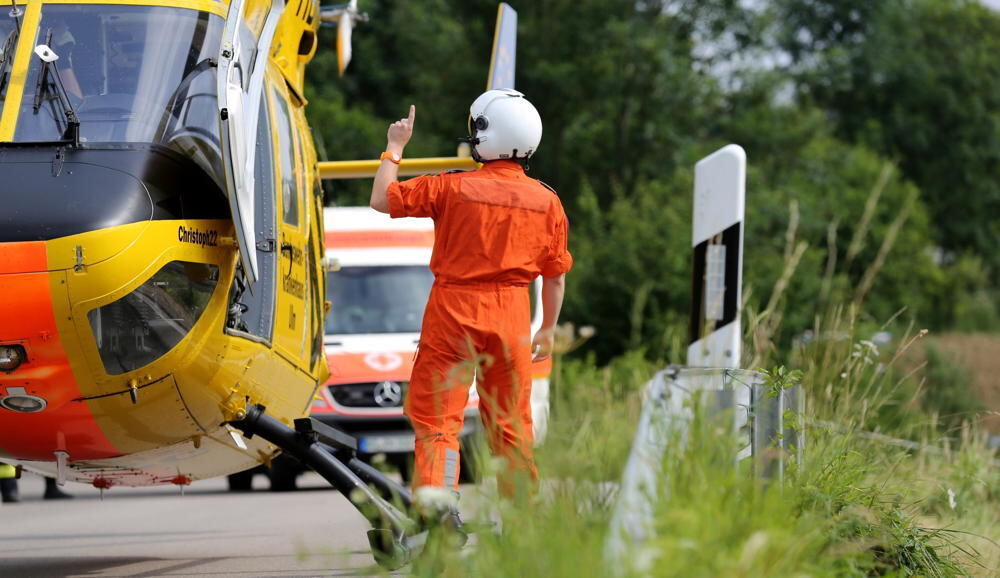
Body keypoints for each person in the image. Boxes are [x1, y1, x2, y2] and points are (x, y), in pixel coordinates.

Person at [369, 89, 573, 522]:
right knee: (511, 426)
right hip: (514, 315)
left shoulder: (452, 186)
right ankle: (522, 521)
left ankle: (438, 514)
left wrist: (395, 148)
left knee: (439, 423)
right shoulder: (548, 201)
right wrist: (548, 329)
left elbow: (383, 199)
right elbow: (555, 276)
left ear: (484, 135)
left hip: (454, 311)